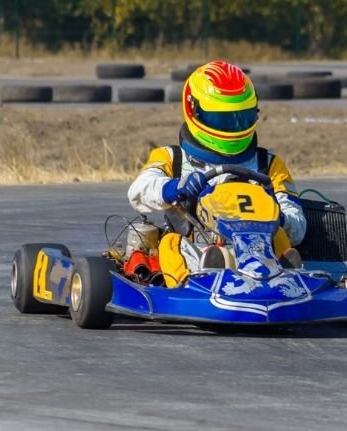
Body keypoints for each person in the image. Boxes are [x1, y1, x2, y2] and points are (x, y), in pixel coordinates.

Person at [127, 60, 306, 286]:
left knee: (280, 235)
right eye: (221, 120)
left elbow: (298, 226)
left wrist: (276, 215)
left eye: (240, 118)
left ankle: (289, 278)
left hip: (261, 251)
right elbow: (138, 191)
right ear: (194, 110)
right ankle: (190, 285)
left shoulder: (269, 165)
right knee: (170, 242)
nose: (232, 126)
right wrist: (175, 187)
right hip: (196, 248)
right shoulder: (172, 158)